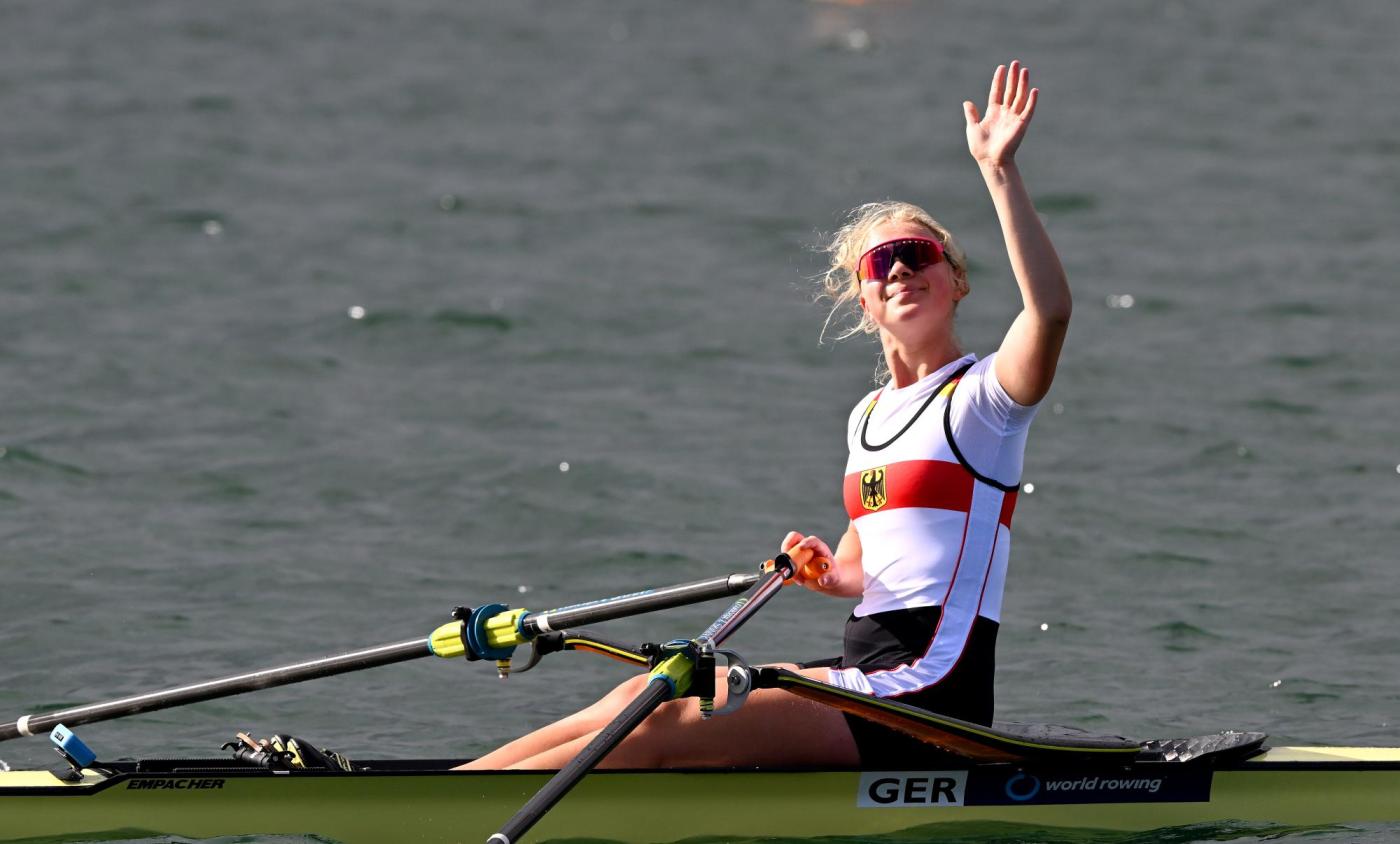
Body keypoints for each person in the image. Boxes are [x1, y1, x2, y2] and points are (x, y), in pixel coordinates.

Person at [459, 60, 1070, 772]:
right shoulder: (868, 417)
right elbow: (867, 561)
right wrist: (829, 572)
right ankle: (454, 786)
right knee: (639, 696)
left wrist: (999, 171)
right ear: (864, 300)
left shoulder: (985, 400)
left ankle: (449, 812)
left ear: (956, 280)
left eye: (917, 254)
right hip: (867, 667)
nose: (901, 270)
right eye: (881, 264)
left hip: (932, 693)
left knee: (667, 723)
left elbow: (1050, 311)